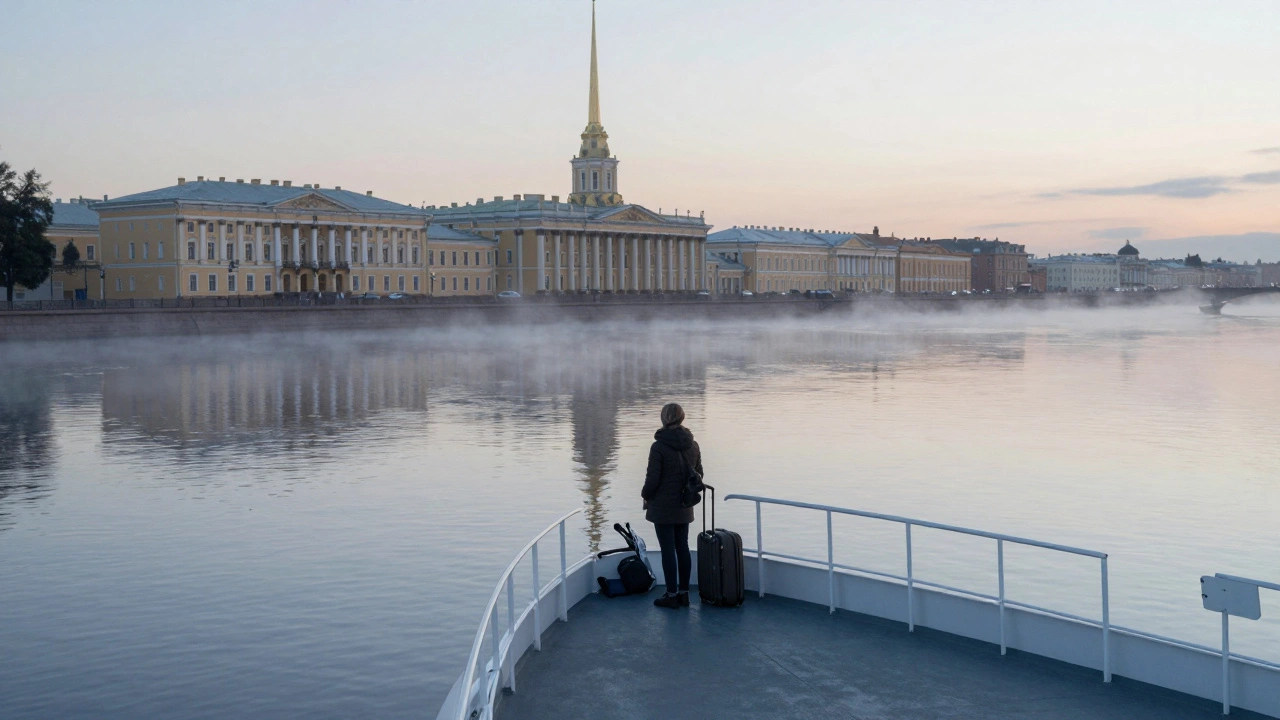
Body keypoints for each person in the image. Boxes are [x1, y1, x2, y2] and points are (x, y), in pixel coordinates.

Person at [641, 402, 703, 609]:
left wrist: (645, 496)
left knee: (667, 549)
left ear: (663, 419)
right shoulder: (693, 445)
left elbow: (653, 479)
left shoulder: (658, 446)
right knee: (682, 546)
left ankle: (671, 594)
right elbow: (700, 473)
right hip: (685, 504)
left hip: (663, 506)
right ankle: (684, 594)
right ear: (682, 418)